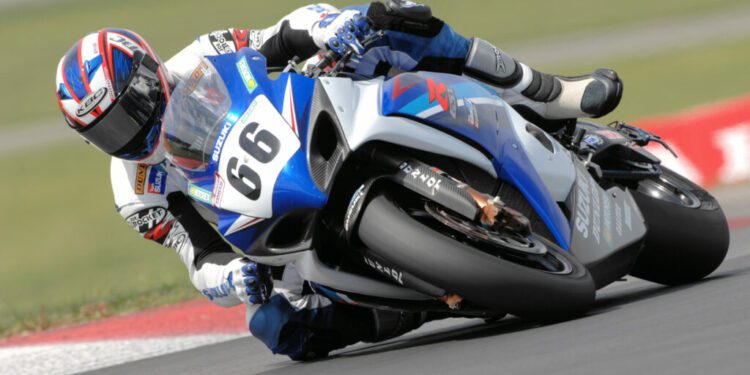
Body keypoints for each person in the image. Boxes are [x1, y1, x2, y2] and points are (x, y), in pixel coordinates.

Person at [54, 1, 622, 360]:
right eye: (109, 133)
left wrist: (335, 26)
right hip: (267, 221)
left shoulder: (202, 56)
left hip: (308, 127)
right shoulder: (135, 188)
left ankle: (546, 94)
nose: (130, 134)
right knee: (276, 329)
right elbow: (196, 257)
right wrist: (234, 280)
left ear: (150, 74)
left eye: (132, 110)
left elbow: (284, 33)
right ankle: (415, 307)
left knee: (395, 22)